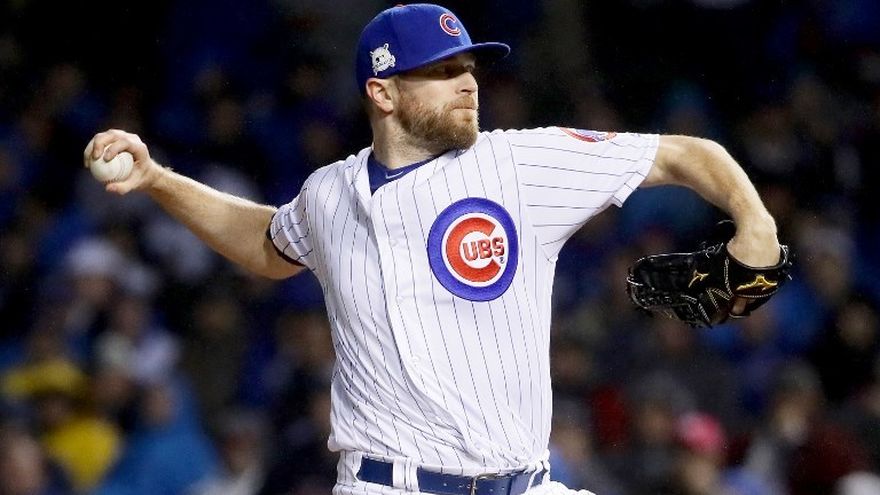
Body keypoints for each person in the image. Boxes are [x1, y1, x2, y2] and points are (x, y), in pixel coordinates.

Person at [83, 4, 782, 495]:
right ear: (382, 92)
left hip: (525, 482)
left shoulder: (517, 164)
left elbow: (686, 154)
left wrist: (755, 225)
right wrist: (158, 180)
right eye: (443, 70)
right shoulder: (328, 194)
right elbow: (266, 245)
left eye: (470, 66)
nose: (469, 81)